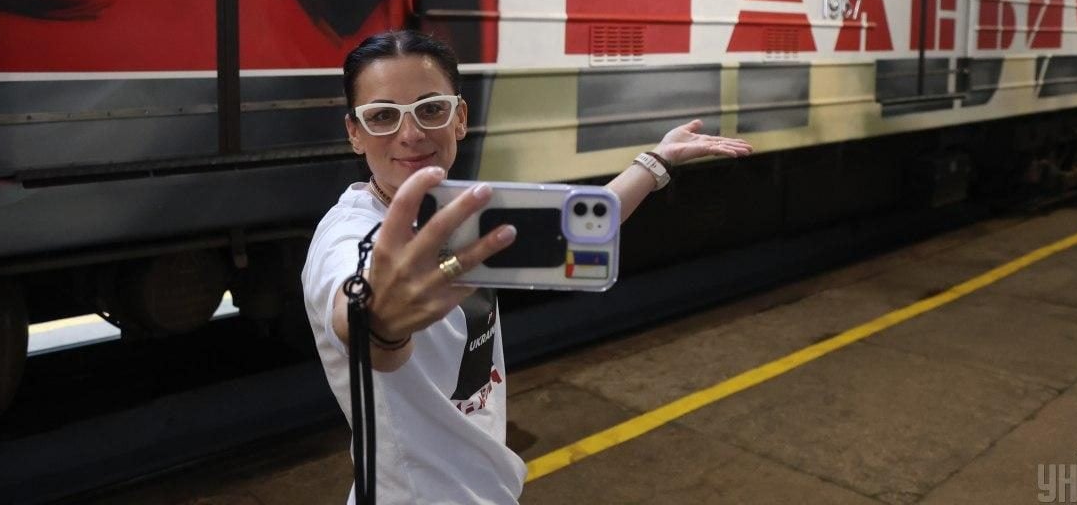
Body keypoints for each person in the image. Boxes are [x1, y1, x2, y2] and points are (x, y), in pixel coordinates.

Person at [301, 29, 752, 504]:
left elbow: (578, 229)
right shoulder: (350, 236)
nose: (410, 133)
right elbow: (353, 307)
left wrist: (656, 161)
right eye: (382, 117)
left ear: (459, 119)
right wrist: (379, 323)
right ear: (355, 133)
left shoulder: (455, 214)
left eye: (430, 109)